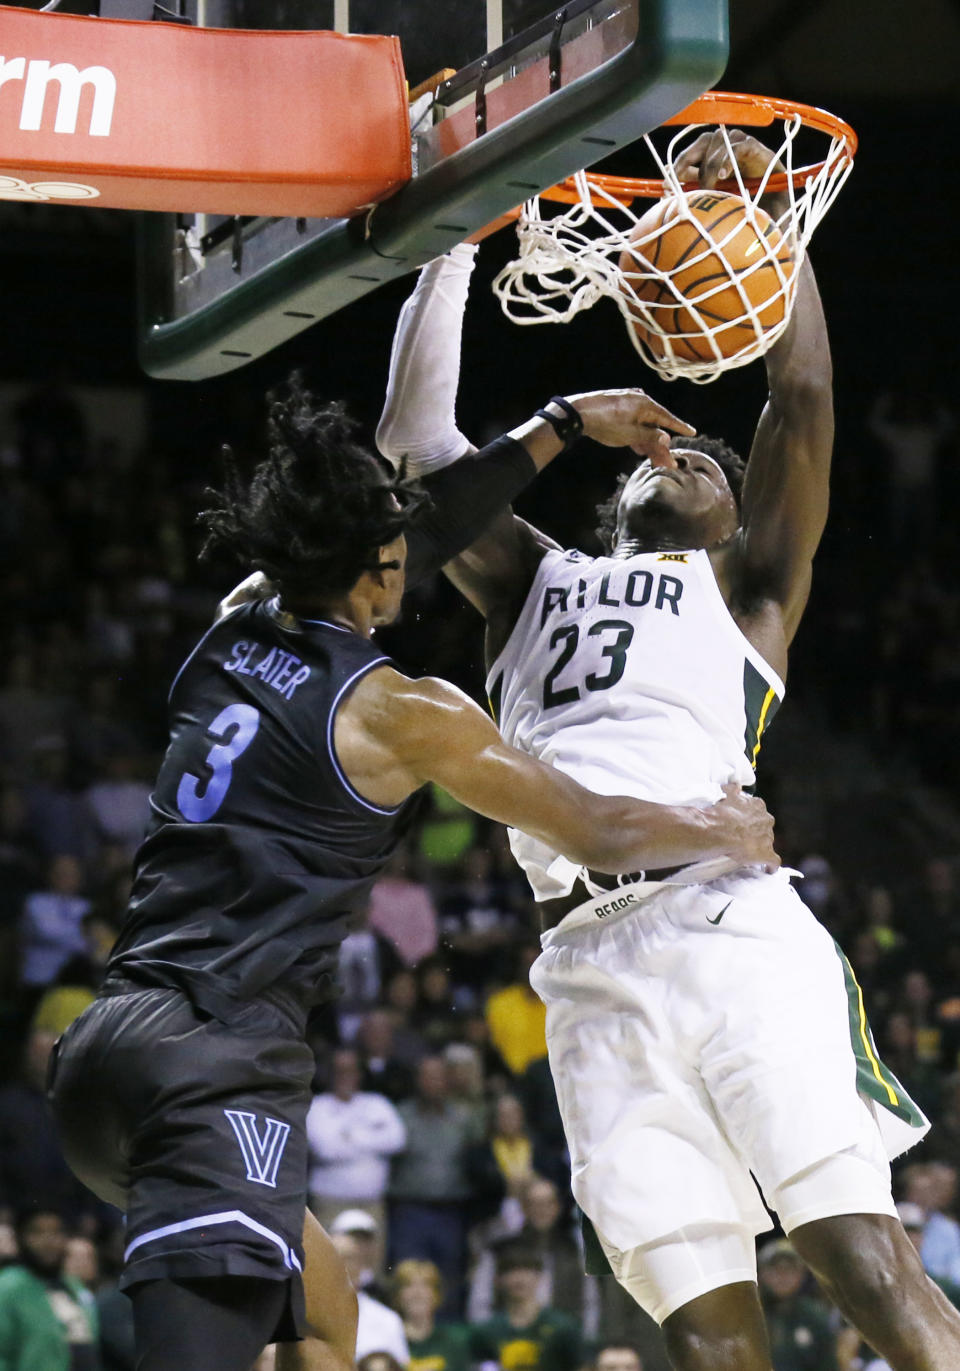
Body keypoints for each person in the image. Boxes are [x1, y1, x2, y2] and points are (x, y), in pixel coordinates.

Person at [375, 129, 960, 1371]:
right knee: (706, 1342)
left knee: (862, 1262)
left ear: (743, 518)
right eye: (674, 448)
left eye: (719, 460)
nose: (696, 452)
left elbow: (798, 400)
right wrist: (449, 246)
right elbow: (416, 449)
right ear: (621, 488)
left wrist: (764, 218)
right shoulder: (532, 577)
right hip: (585, 964)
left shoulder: (748, 597)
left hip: (728, 927)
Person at [48, 381, 775, 1371]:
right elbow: (595, 829)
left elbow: (405, 544)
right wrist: (719, 825)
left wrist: (558, 429)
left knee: (331, 1310)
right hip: (214, 1069)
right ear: (380, 574)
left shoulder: (233, 625)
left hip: (106, 1049)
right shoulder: (400, 710)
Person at [0, 1208, 100, 1371]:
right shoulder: (7, 1286)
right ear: (20, 1237)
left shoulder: (73, 1286)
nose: (48, 1241)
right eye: (37, 1232)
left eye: (56, 1232)